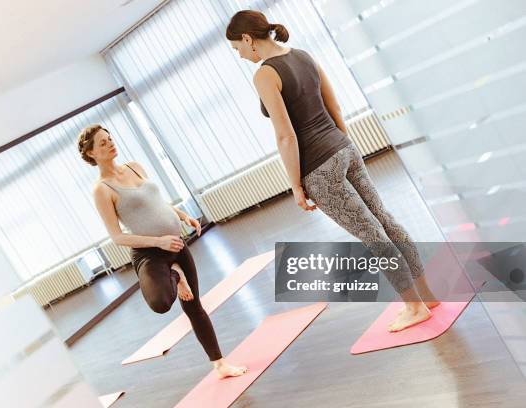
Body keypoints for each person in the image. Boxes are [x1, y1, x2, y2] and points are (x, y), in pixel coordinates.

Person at [226, 10, 439, 332]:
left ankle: (413, 307)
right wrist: (343, 146)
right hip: (343, 147)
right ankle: (427, 296)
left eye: (237, 48)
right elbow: (334, 108)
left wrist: (296, 185)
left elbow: (285, 135)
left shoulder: (265, 74)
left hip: (317, 165)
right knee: (384, 220)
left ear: (247, 38)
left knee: (371, 234)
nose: (240, 56)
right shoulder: (304, 56)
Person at [77, 124, 247, 377]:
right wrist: (159, 243)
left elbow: (157, 202)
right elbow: (117, 236)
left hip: (176, 244)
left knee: (194, 307)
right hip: (149, 254)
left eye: (110, 138)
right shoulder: (102, 189)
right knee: (160, 303)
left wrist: (182, 216)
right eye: (102, 143)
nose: (110, 143)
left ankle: (220, 364)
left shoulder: (135, 166)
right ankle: (175, 275)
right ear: (91, 154)